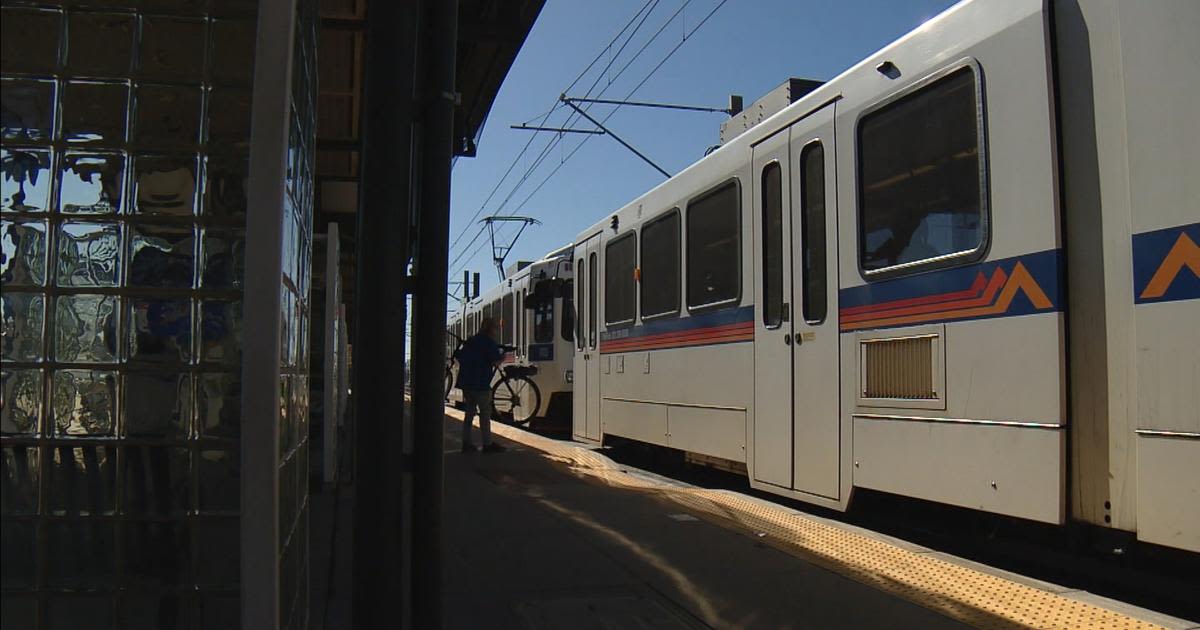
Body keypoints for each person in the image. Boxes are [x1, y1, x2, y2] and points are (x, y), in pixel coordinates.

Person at [453, 317, 508, 453]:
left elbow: (459, 356)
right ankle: (487, 444)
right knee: (485, 413)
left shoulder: (471, 341)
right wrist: (503, 357)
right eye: (495, 328)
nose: (496, 331)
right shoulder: (489, 343)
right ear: (490, 329)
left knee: (469, 414)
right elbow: (495, 360)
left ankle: (466, 444)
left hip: (466, 383)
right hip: (481, 383)